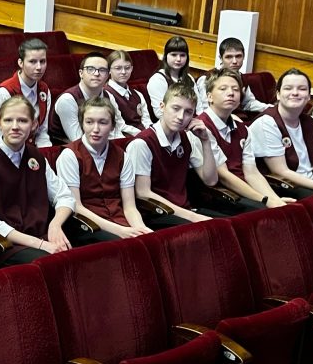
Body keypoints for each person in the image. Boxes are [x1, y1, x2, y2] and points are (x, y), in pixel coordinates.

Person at [0, 96, 76, 265]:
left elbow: (64, 196)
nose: (15, 126)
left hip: (42, 234)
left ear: (34, 125)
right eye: (8, 120)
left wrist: (55, 226)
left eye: (22, 120)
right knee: (54, 262)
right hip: (8, 245)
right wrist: (41, 245)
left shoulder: (36, 156)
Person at [56, 97, 162, 239]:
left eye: (103, 122)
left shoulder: (122, 156)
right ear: (82, 124)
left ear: (112, 126)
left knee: (148, 240)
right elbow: (77, 207)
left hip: (119, 221)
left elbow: (129, 207)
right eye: (89, 122)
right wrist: (121, 231)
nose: (96, 129)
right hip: (87, 226)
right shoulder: (70, 155)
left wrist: (141, 229)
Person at [197, 69, 295, 211]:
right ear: (209, 97)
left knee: (284, 208)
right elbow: (224, 176)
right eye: (223, 89)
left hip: (245, 190)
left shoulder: (243, 129)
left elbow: (251, 172)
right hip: (219, 194)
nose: (231, 93)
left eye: (236, 89)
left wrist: (275, 200)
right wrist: (265, 200)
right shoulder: (202, 127)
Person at [248, 68, 313, 197]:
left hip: (312, 181)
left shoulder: (310, 122)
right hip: (285, 185)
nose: (295, 93)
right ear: (278, 94)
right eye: (288, 88)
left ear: (308, 96)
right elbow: (281, 171)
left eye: (302, 89)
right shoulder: (267, 123)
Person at [125, 83, 219, 222]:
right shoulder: (142, 143)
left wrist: (205, 141)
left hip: (184, 210)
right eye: (176, 108)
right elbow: (143, 193)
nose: (181, 117)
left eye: (188, 112)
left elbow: (210, 180)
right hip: (158, 214)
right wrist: (193, 217)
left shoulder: (187, 138)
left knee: (229, 224)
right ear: (162, 107)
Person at [0, 38, 53, 146]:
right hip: (6, 150)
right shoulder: (4, 93)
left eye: (42, 61)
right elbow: (2, 136)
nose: (39, 67)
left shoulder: (44, 90)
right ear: (20, 63)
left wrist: (46, 152)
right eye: (32, 61)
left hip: (32, 150)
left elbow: (42, 133)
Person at [54, 52, 121, 142]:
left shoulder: (109, 96)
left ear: (108, 75)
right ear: (81, 73)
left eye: (102, 70)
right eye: (90, 69)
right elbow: (77, 140)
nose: (96, 73)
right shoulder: (67, 100)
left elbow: (116, 131)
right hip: (67, 147)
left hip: (100, 144)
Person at [194, 37, 269, 116]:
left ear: (244, 57)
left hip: (239, 118)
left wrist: (269, 108)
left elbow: (248, 103)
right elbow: (204, 110)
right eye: (229, 57)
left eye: (238, 56)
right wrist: (229, 118)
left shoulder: (242, 78)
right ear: (221, 58)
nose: (234, 61)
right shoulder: (207, 78)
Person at [146, 36, 201, 118]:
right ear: (166, 56)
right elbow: (159, 113)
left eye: (182, 55)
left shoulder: (189, 78)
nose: (178, 59)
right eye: (174, 55)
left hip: (191, 121)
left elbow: (199, 108)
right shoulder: (158, 79)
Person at [104, 49, 152, 137]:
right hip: (124, 137)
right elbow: (120, 126)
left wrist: (152, 132)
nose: (123, 72)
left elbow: (146, 120)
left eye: (127, 68)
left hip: (144, 135)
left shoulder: (138, 94)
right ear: (109, 70)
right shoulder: (106, 94)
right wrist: (143, 135)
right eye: (118, 68)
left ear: (132, 68)